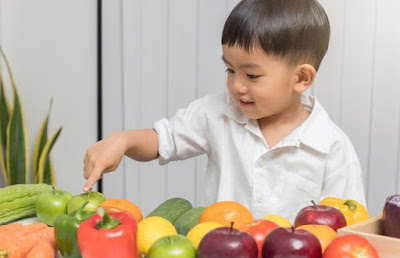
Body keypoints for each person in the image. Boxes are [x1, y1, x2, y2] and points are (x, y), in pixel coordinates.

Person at [83, 0, 367, 222]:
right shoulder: (217, 113)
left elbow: (350, 223)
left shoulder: (331, 146)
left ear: (301, 78)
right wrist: (122, 140)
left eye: (252, 76)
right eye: (230, 69)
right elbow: (162, 141)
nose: (236, 86)